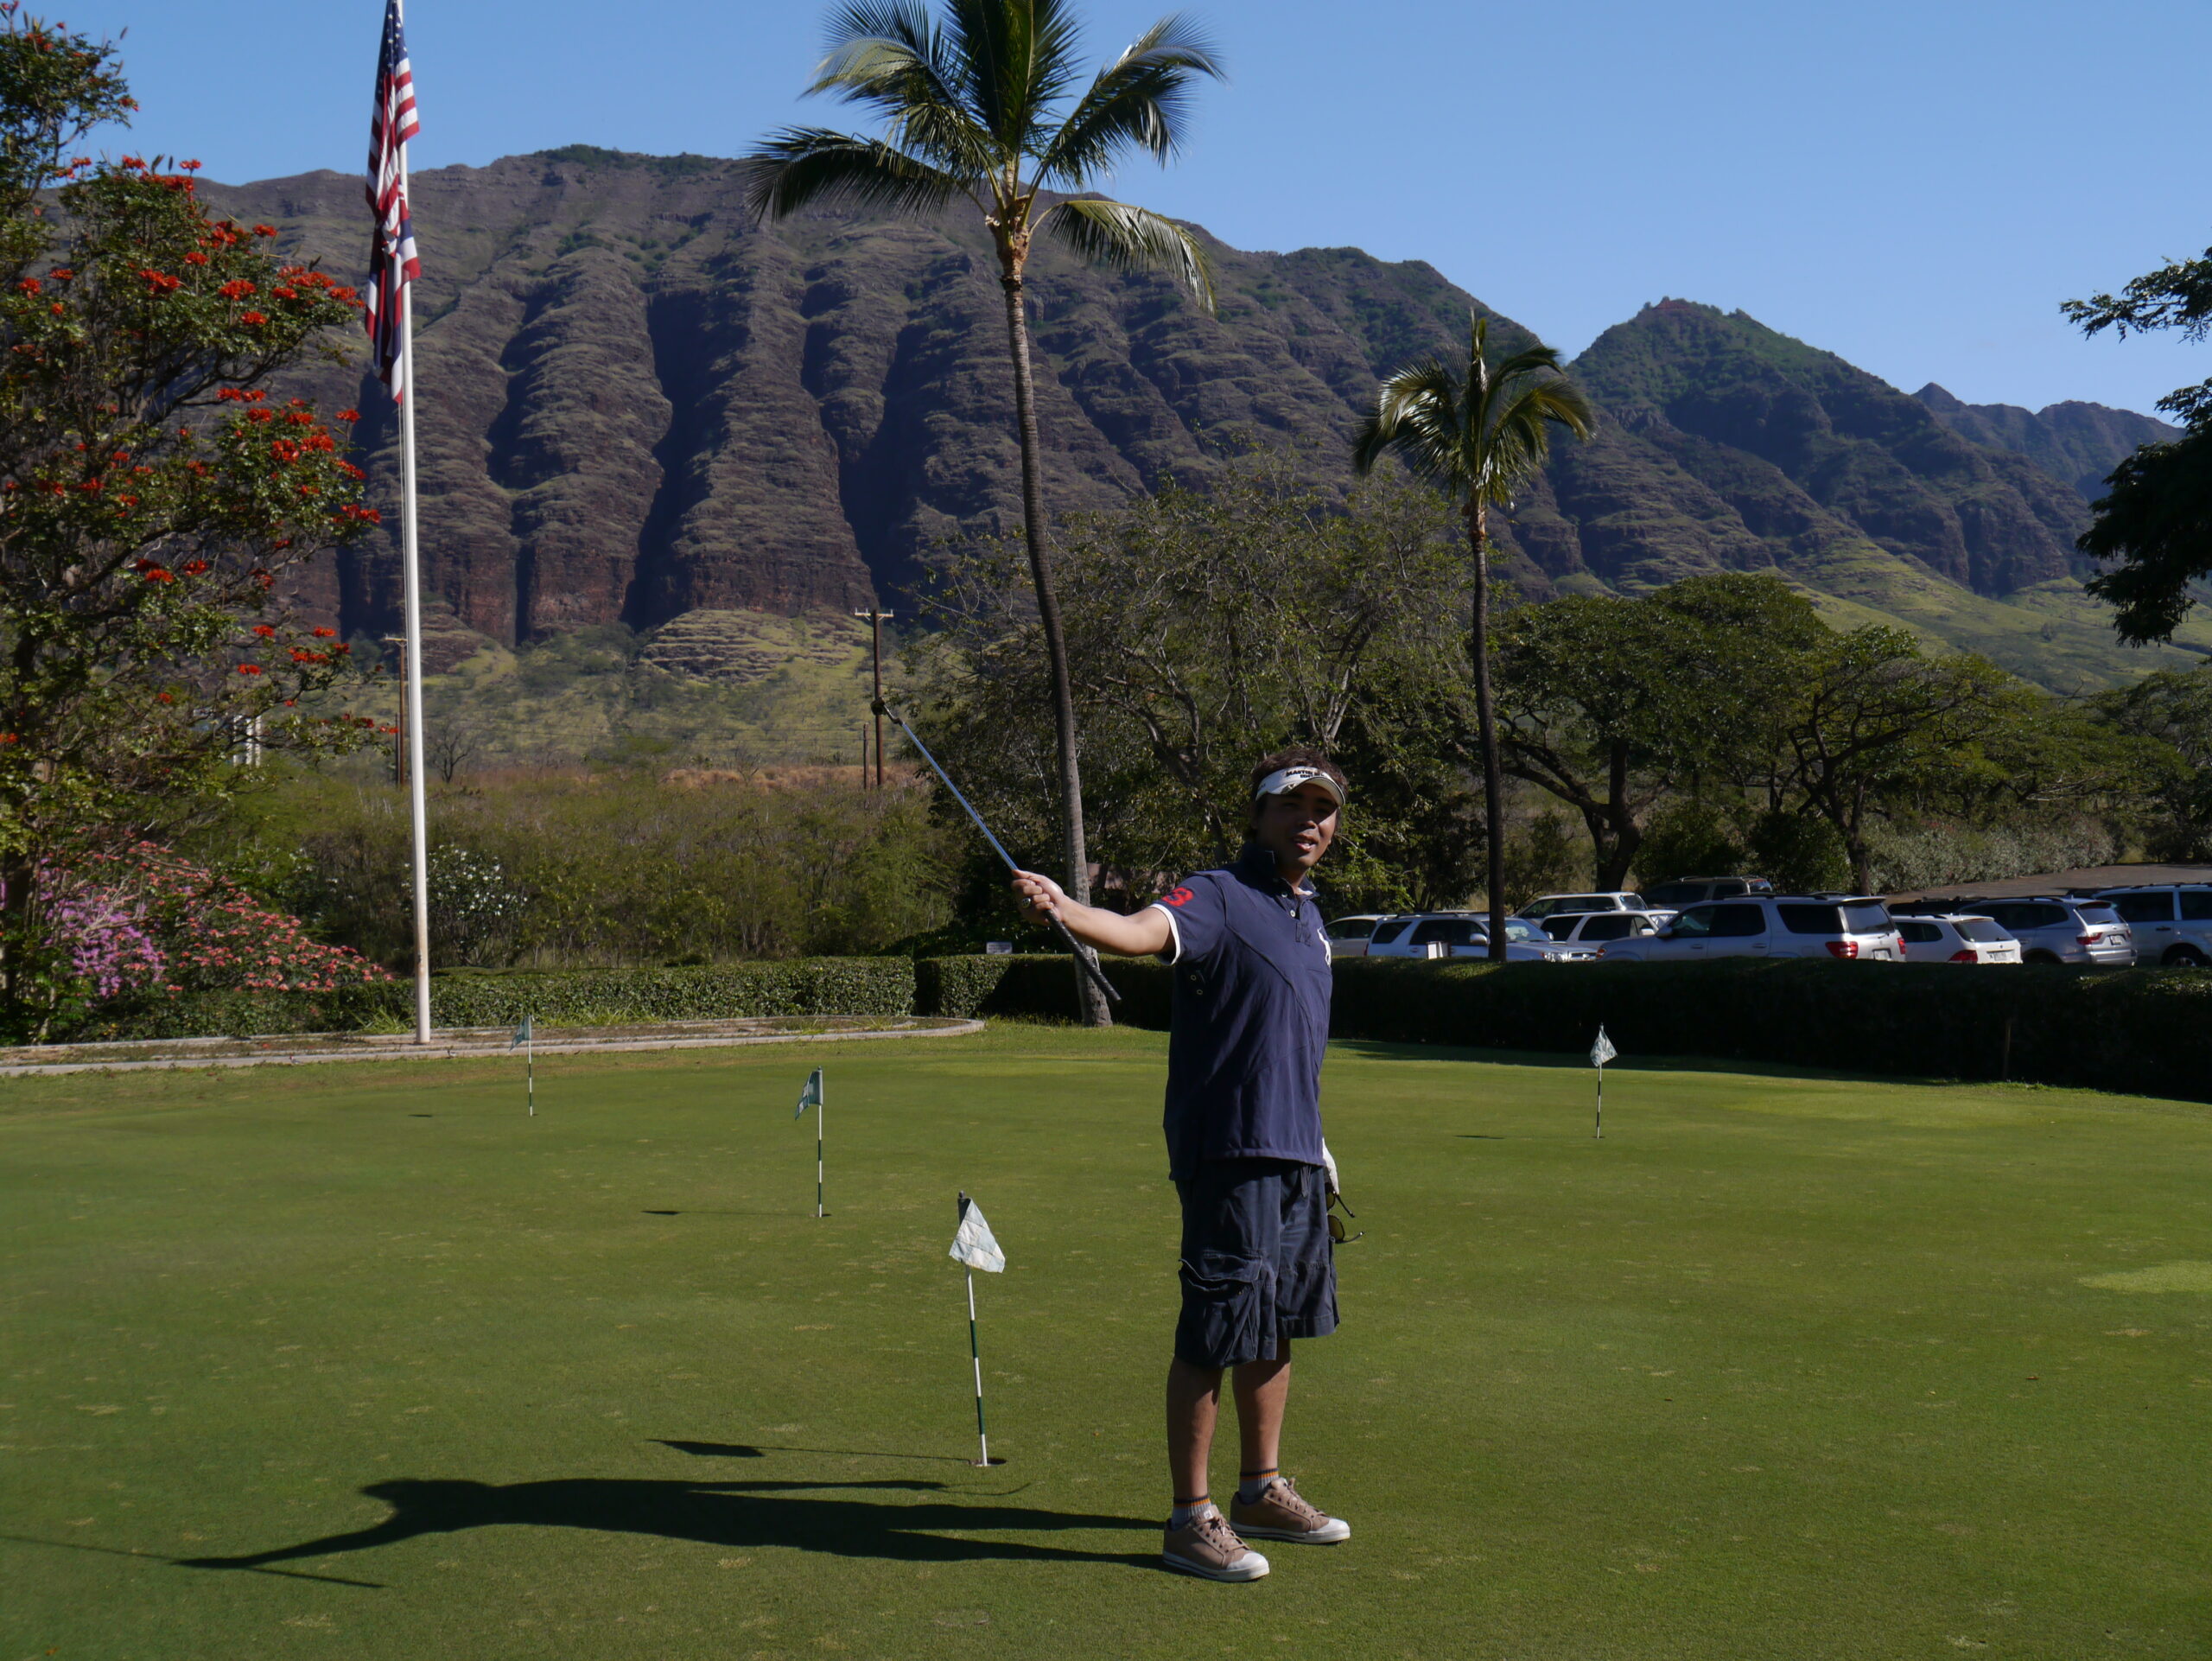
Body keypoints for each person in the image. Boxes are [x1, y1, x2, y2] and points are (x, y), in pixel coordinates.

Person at [1011, 748, 1352, 1583]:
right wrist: (1065, 906)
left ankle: (1260, 1489)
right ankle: (1189, 1518)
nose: (1309, 822)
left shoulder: (1309, 917)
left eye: (1324, 810)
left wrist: (1320, 1143)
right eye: (1291, 807)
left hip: (1296, 1151)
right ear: (1258, 816)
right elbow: (1141, 932)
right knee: (1215, 1331)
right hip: (1230, 1148)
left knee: (1276, 1330)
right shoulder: (1219, 895)